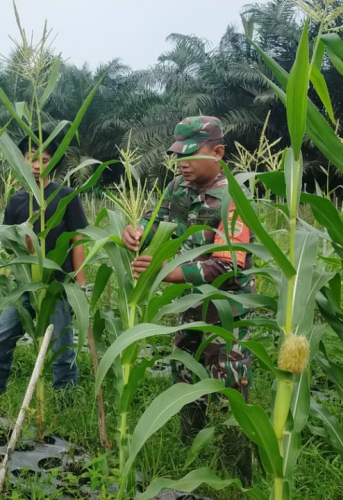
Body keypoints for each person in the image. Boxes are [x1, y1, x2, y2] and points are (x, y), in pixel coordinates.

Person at [121, 116, 256, 481]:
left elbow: (228, 265)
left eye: (191, 154)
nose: (182, 162)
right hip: (190, 305)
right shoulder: (178, 187)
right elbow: (155, 222)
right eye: (178, 154)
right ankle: (189, 455)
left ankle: (237, 472)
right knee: (184, 373)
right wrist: (136, 232)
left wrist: (169, 272)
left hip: (227, 311)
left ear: (218, 152)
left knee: (228, 384)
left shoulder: (233, 198)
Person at [0, 135, 87, 397]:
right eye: (32, 159)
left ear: (54, 162)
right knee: (0, 341)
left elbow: (77, 240)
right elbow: (9, 245)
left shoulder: (66, 197)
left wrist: (80, 284)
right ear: (22, 160)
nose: (38, 166)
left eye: (45, 160)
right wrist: (23, 244)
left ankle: (66, 401)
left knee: (61, 350)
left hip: (58, 287)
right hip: (24, 284)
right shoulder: (16, 201)